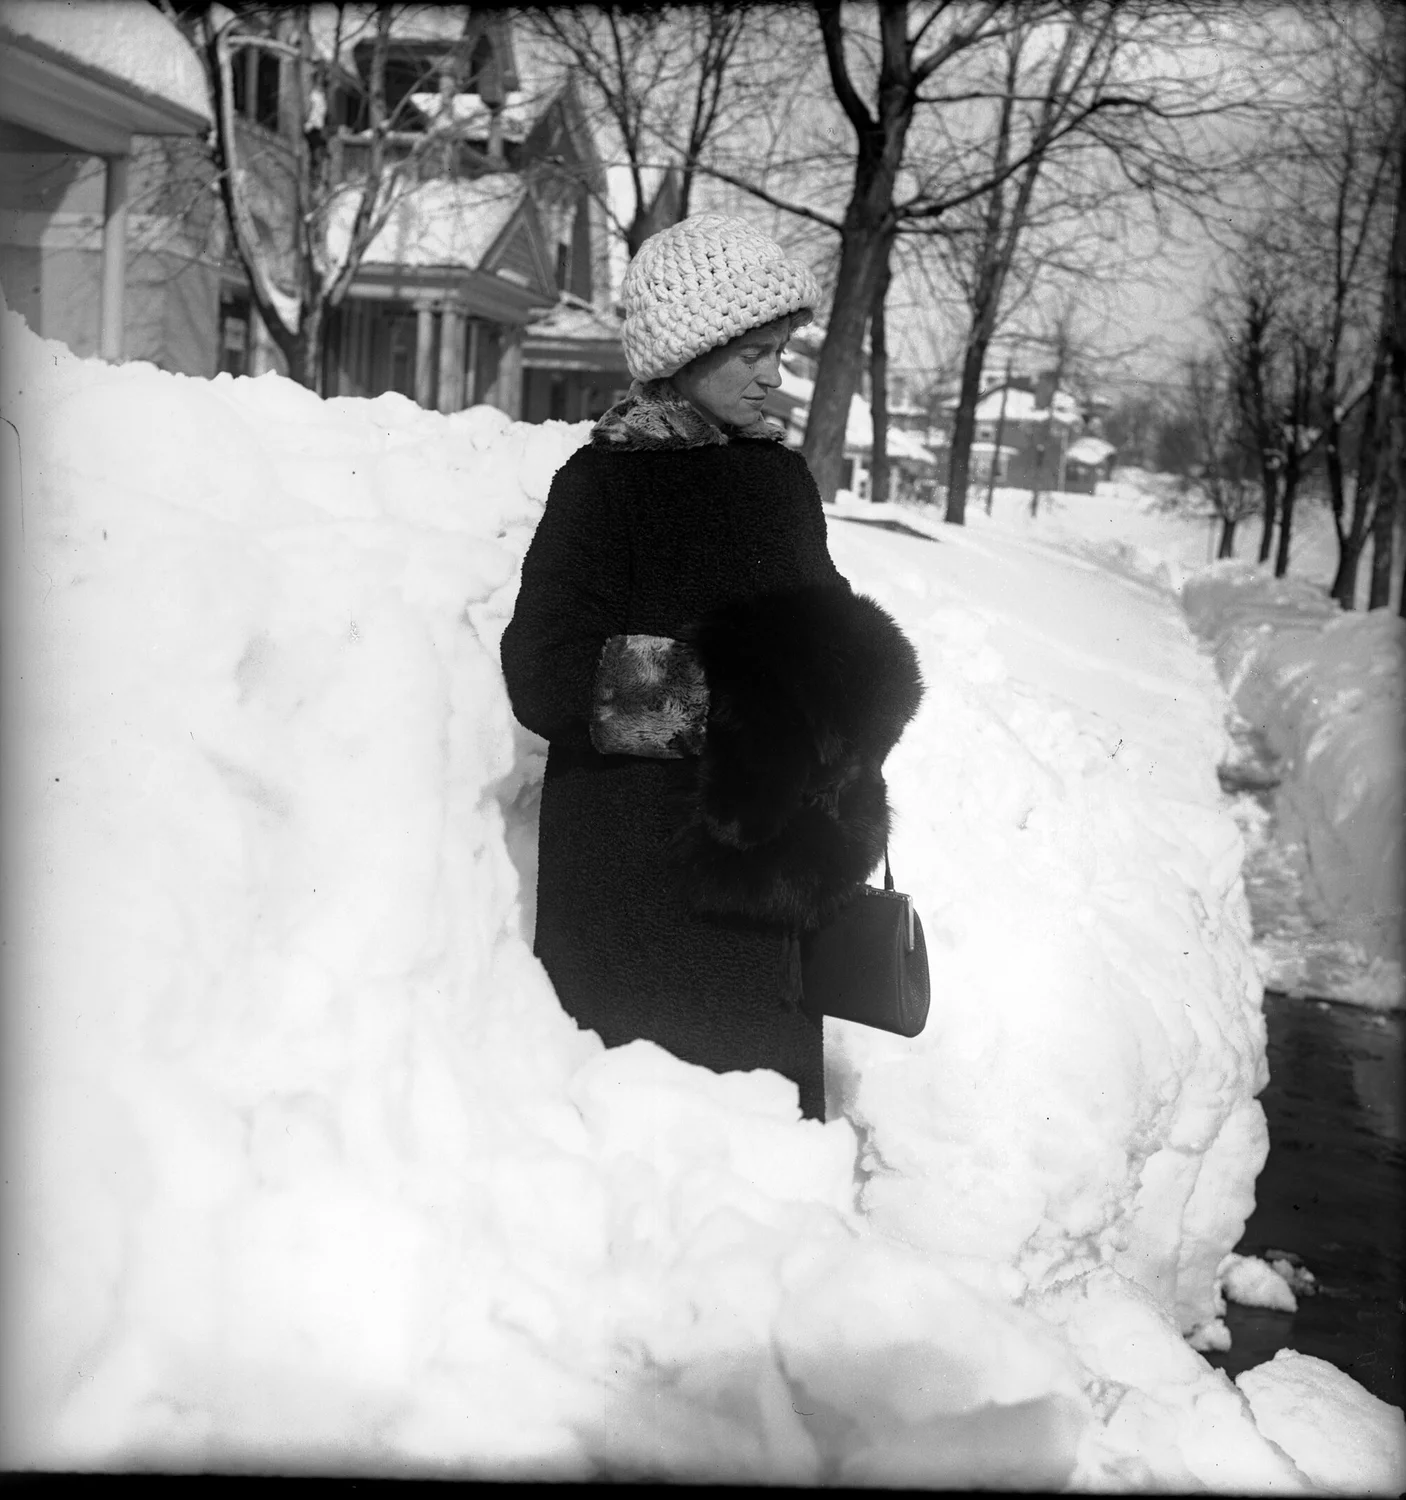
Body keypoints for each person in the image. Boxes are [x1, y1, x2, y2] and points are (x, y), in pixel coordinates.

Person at [500, 214, 922, 1121]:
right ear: (683, 354)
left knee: (763, 1171)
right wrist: (713, 703)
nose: (774, 375)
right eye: (750, 354)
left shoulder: (780, 485)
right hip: (633, 889)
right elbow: (541, 669)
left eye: (779, 351)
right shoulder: (602, 487)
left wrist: (853, 711)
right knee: (652, 1156)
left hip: (769, 887)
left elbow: (829, 646)